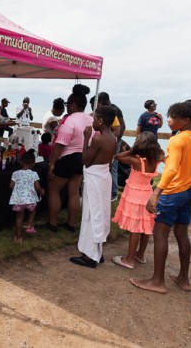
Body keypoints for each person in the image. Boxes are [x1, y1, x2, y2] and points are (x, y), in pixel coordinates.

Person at [130, 101, 191, 294]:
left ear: (186, 120)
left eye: (173, 117)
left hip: (172, 192)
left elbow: (172, 169)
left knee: (160, 234)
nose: (169, 120)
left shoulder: (176, 140)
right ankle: (184, 278)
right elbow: (185, 162)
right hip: (189, 191)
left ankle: (157, 281)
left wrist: (156, 193)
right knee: (182, 234)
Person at [38, 84, 93, 233]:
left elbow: (60, 145)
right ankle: (71, 224)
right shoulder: (90, 120)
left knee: (54, 190)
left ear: (73, 104)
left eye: (68, 104)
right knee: (74, 191)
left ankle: (52, 223)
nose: (66, 107)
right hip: (82, 158)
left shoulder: (69, 121)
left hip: (67, 158)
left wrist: (51, 164)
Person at [70, 105, 117, 268]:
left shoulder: (98, 139)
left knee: (91, 214)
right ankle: (97, 251)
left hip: (95, 178)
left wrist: (86, 138)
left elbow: (85, 160)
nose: (93, 122)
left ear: (101, 121)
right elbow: (109, 162)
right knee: (100, 213)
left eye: (95, 119)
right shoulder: (113, 138)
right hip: (104, 177)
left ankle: (90, 256)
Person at [111, 132, 163, 269]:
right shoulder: (156, 160)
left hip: (135, 196)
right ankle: (140, 254)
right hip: (148, 195)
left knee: (135, 228)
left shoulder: (136, 161)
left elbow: (117, 157)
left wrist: (131, 150)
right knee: (146, 227)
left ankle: (129, 260)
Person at [9, 149, 45, 243]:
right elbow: (37, 187)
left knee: (19, 217)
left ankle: (18, 237)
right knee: (33, 210)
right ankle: (29, 225)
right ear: (33, 164)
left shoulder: (15, 173)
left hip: (19, 200)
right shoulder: (34, 174)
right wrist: (41, 191)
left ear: (20, 162)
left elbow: (11, 186)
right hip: (30, 200)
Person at [96, 92, 126, 201]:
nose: (98, 105)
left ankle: (113, 192)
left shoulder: (113, 110)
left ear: (103, 101)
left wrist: (117, 141)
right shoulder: (114, 108)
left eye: (99, 102)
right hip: (113, 140)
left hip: (114, 141)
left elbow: (121, 126)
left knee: (113, 166)